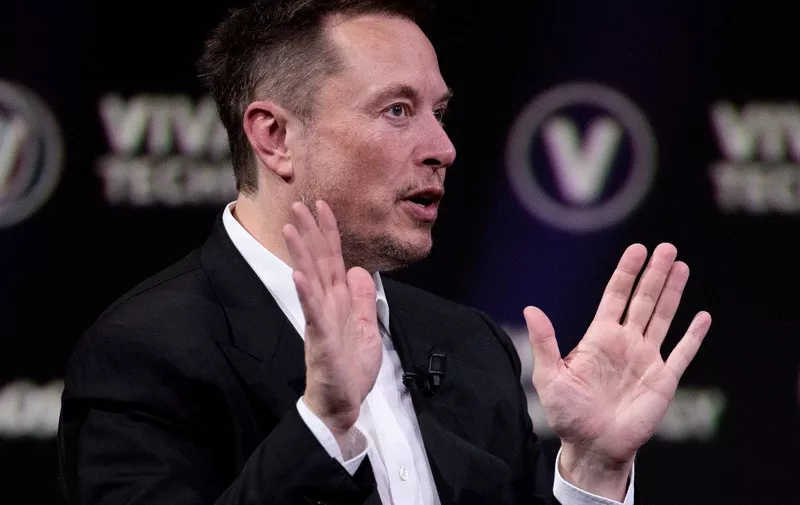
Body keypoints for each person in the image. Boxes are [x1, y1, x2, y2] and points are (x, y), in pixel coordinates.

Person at [57, 1, 712, 504]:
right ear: (275, 136)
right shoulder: (145, 352)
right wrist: (323, 424)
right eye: (398, 110)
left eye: (439, 113)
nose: (443, 148)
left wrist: (592, 471)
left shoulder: (471, 347)